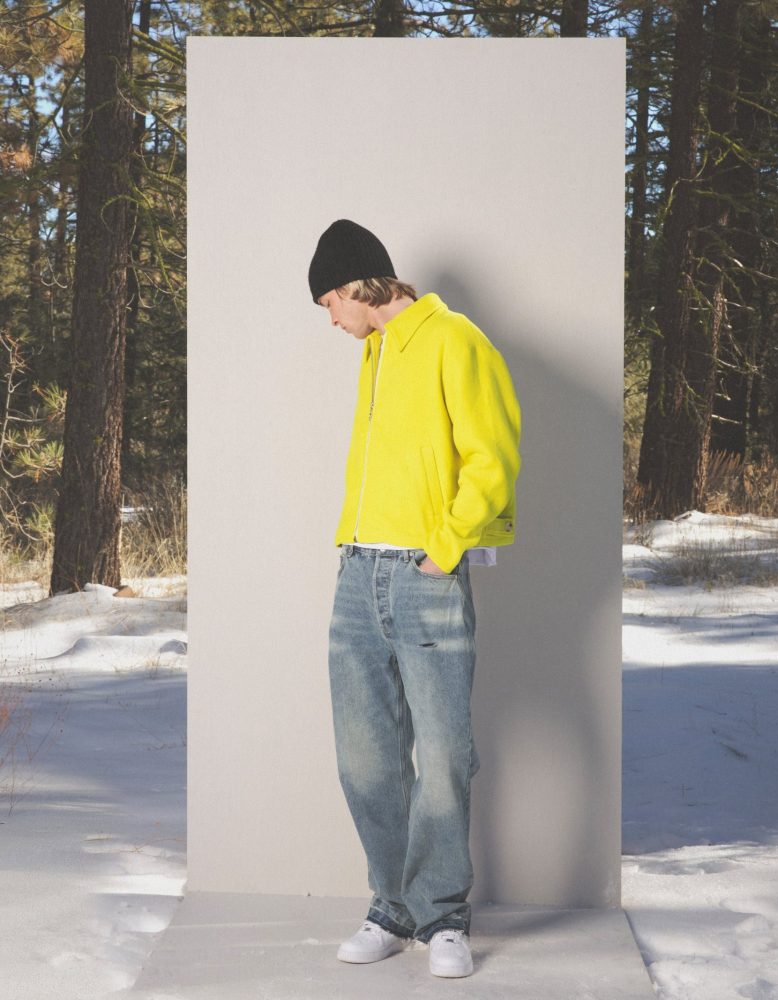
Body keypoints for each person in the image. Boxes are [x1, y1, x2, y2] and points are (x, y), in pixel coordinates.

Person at [308, 219, 521, 979]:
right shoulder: (374, 352)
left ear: (357, 286)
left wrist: (447, 546)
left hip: (422, 576)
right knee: (365, 759)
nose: (331, 319)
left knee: (445, 754)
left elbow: (493, 453)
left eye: (330, 303)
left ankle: (443, 916)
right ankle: (392, 908)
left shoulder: (456, 339)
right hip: (357, 575)